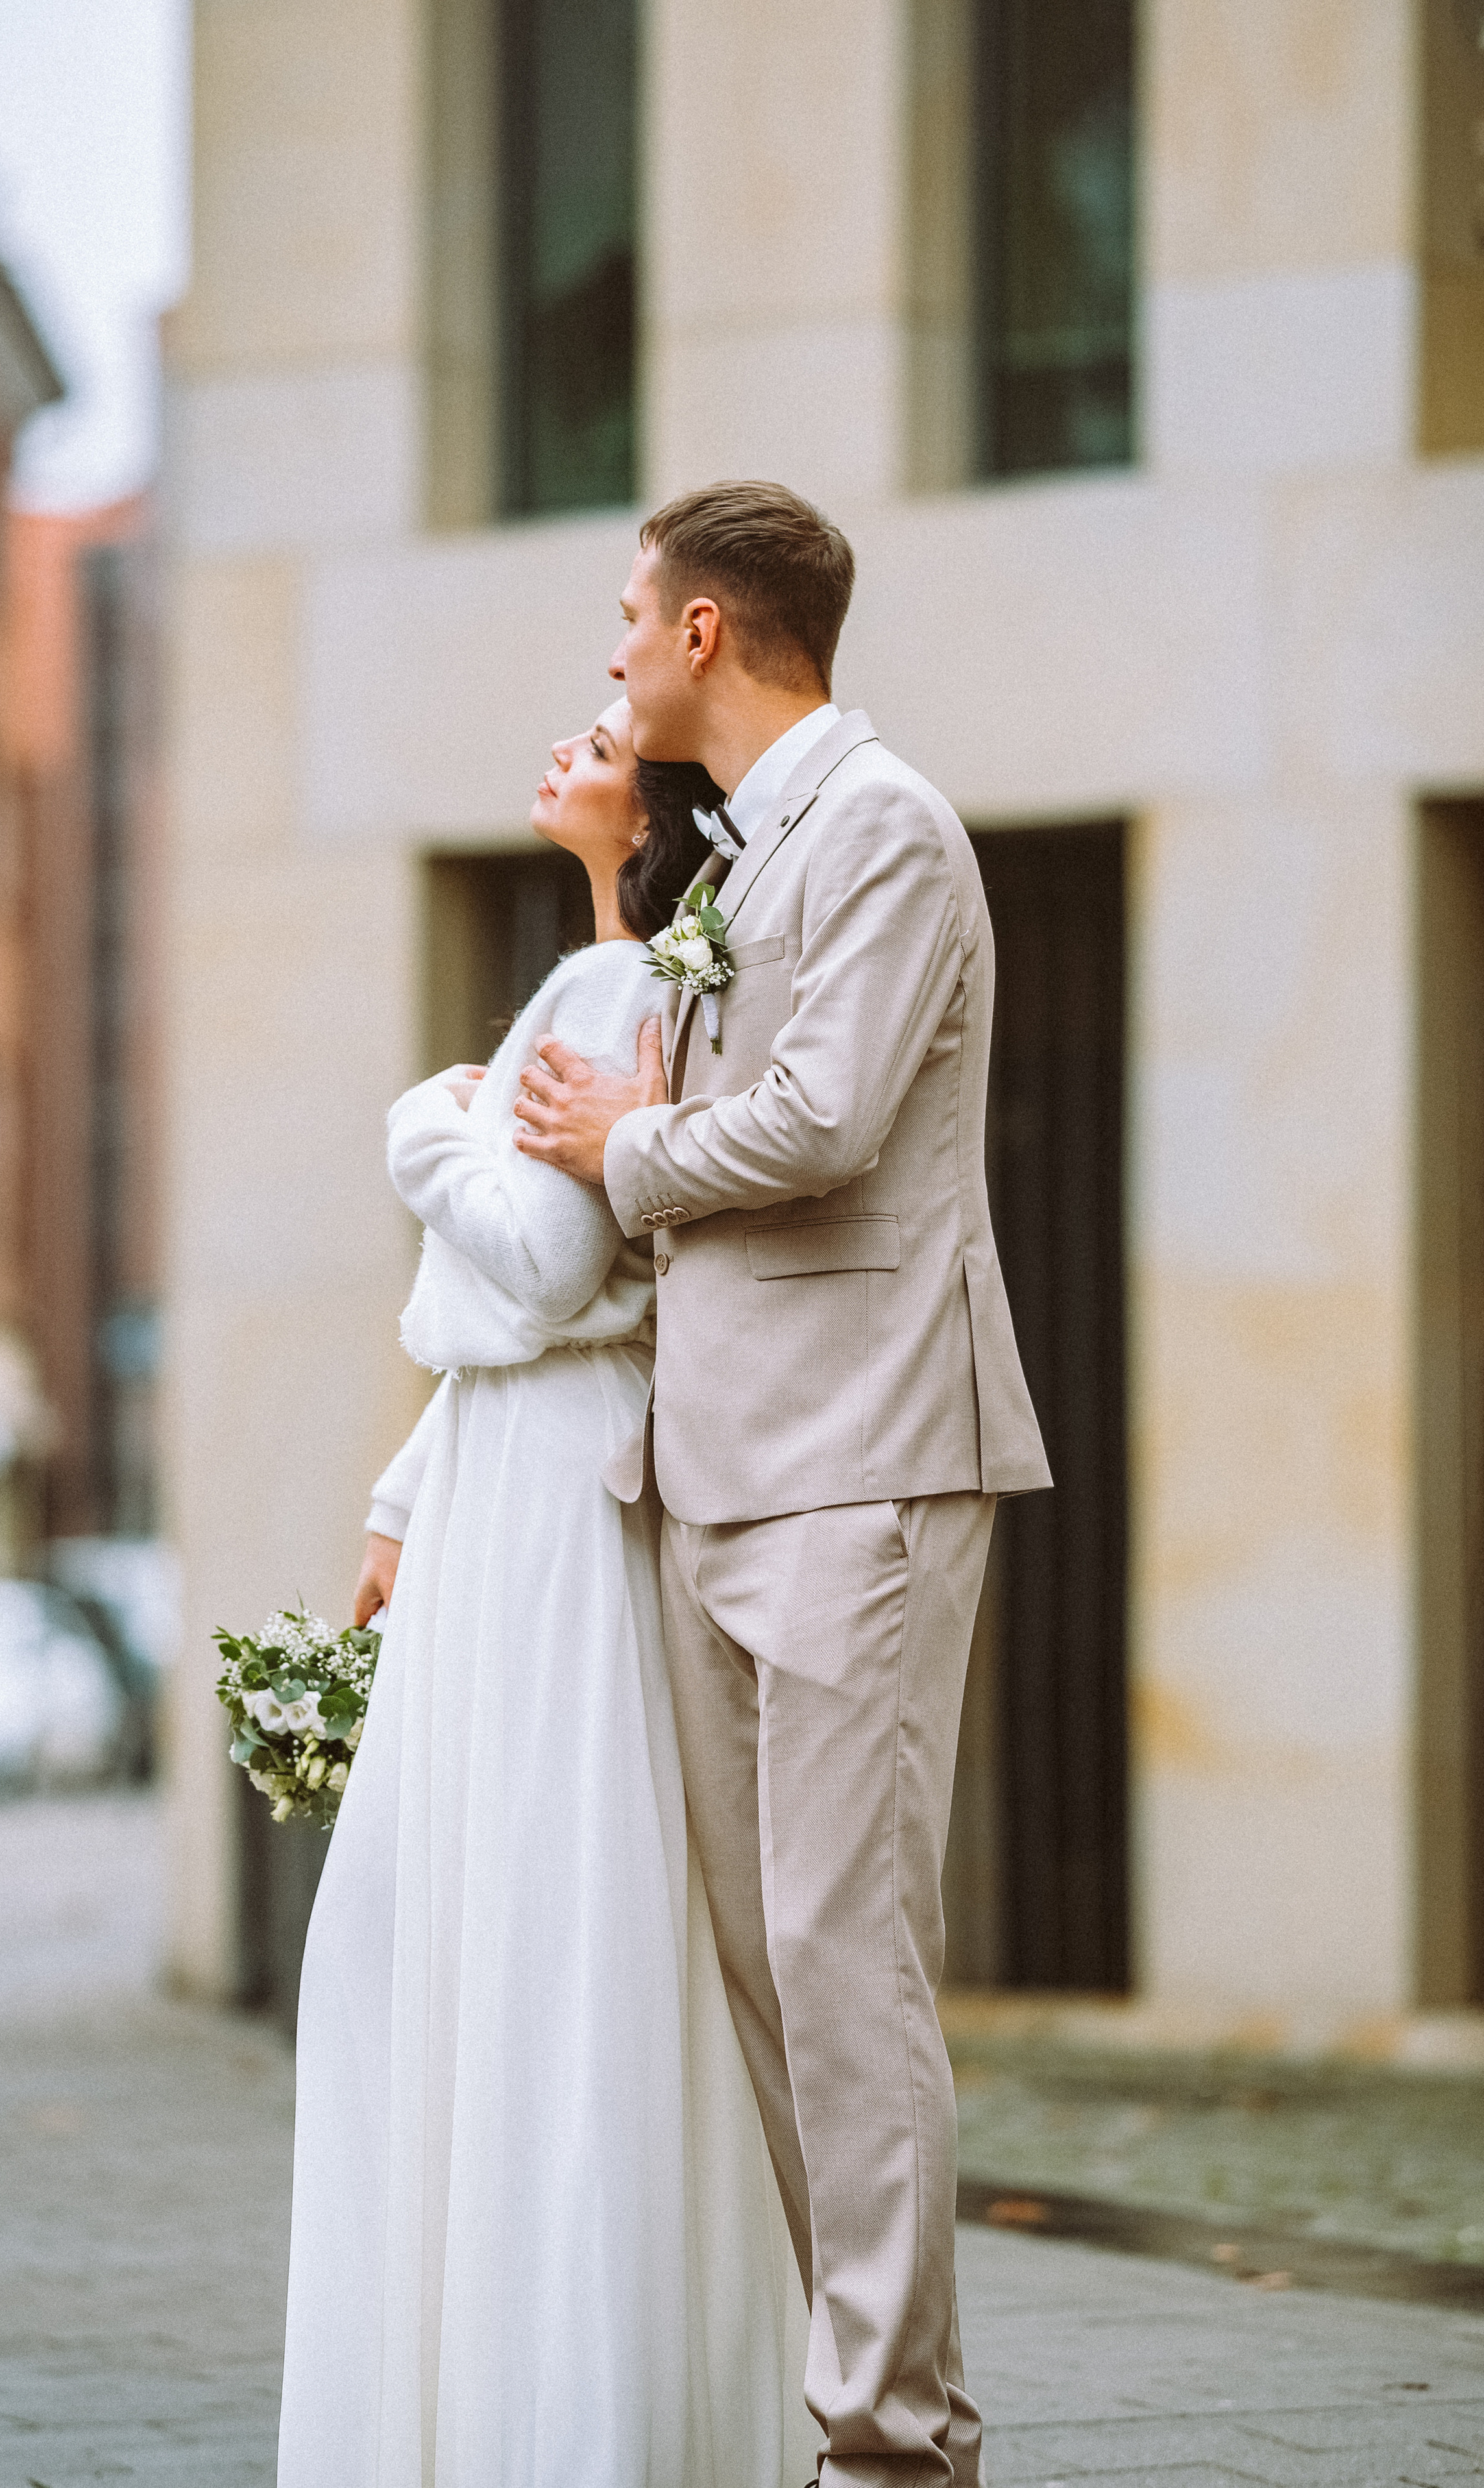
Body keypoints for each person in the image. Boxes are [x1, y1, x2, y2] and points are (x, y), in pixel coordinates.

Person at [513, 481, 1052, 2488]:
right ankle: (867, 2417)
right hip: (714, 1472)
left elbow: (821, 1121)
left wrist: (627, 1148)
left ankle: (893, 2450)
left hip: (865, 1468)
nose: (613, 652)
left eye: (629, 617)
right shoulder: (737, 854)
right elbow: (663, 1097)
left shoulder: (889, 826)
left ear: (706, 632)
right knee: (769, 1972)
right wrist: (609, 917)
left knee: (845, 1965)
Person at [276, 694, 823, 2488]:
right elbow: (556, 1313)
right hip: (525, 1467)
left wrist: (421, 1135)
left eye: (597, 735)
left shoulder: (614, 986)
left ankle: (523, 2408)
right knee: (545, 1912)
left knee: (495, 1917)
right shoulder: (633, 980)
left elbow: (538, 1273)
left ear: (645, 803)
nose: (565, 748)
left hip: (550, 1494)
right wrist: (400, 1498)